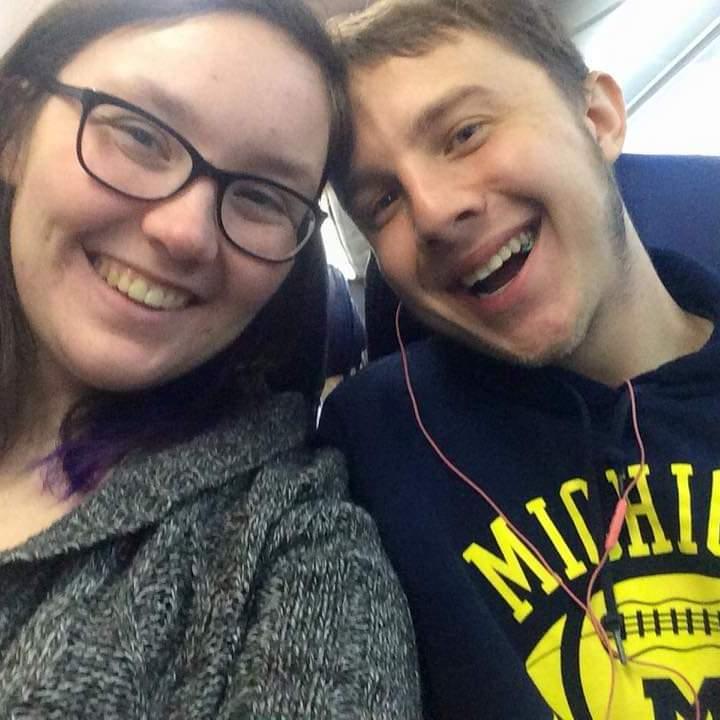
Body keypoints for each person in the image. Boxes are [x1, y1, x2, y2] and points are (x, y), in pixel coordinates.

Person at [0, 0, 422, 716]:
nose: (185, 232)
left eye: (262, 196)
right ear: (14, 128)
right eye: (140, 135)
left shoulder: (291, 550)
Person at [318, 0, 720, 718]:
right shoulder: (374, 448)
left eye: (465, 133)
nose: (433, 212)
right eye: (382, 201)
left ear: (597, 118)